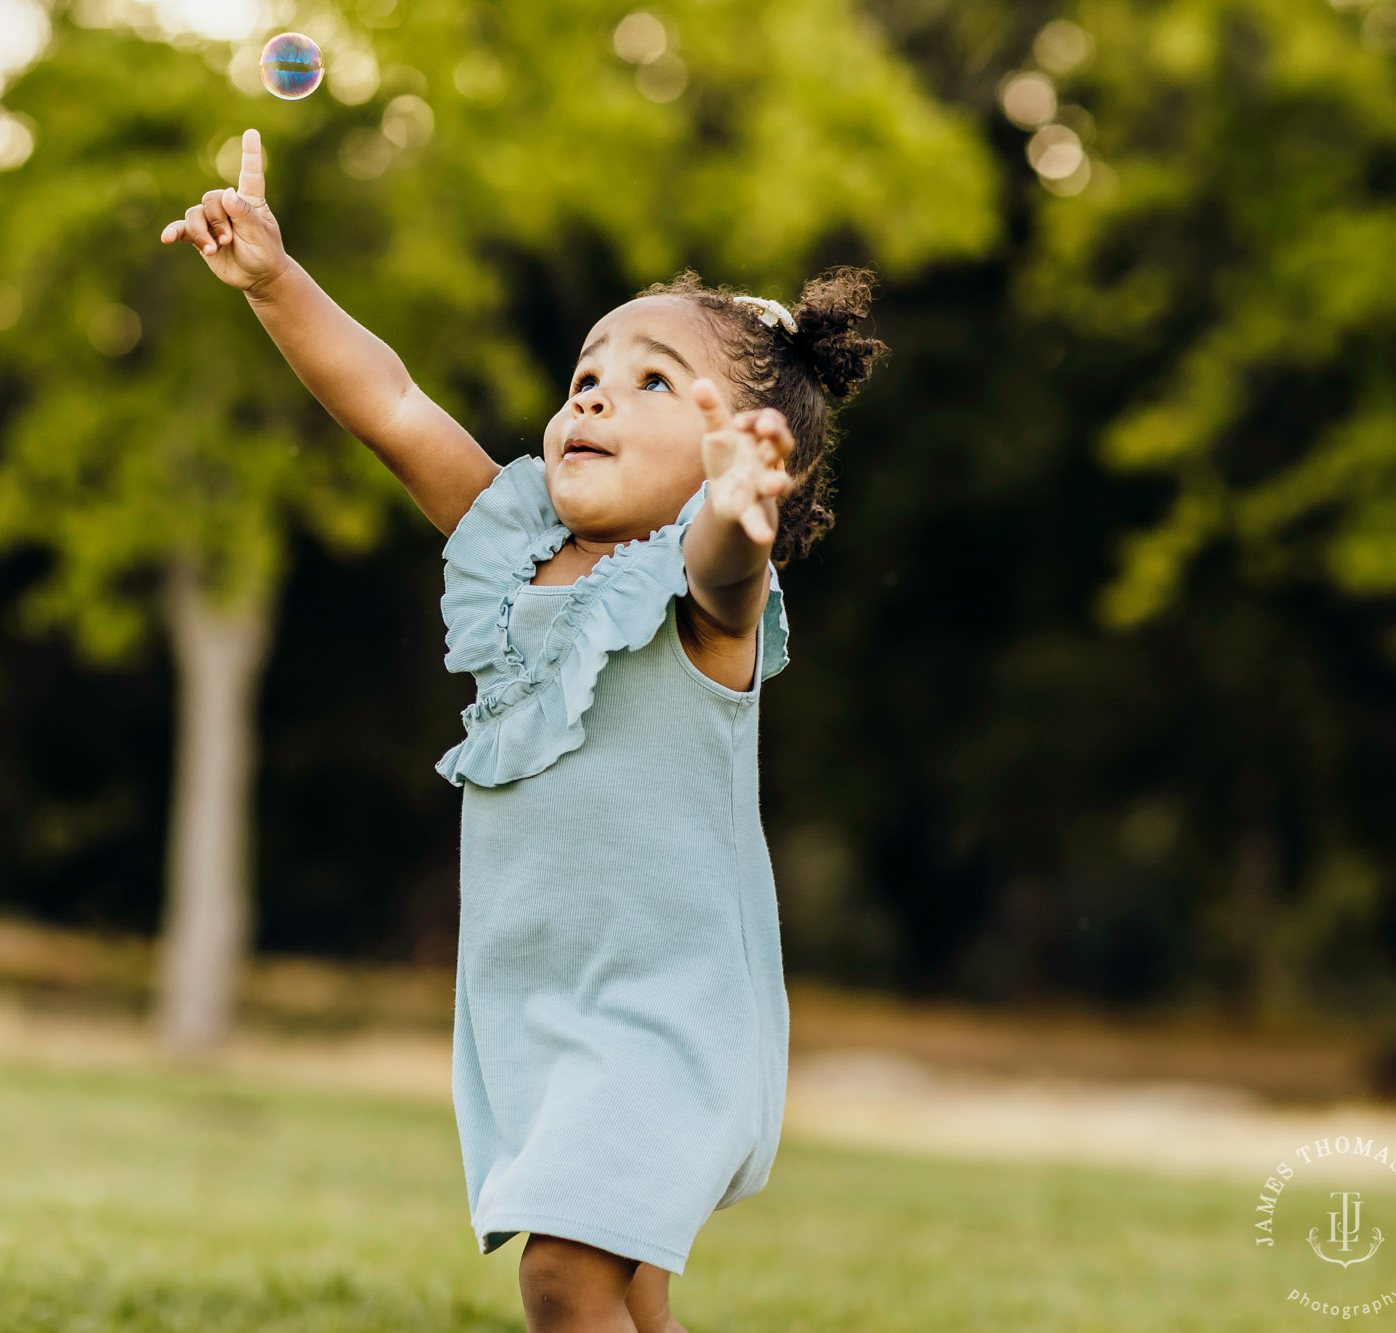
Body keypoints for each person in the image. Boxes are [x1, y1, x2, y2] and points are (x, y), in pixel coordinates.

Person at [161, 128, 885, 1333]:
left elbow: (719, 569)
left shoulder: (707, 605)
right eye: (586, 373)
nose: (592, 393)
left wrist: (735, 506)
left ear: (758, 463)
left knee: (562, 1280)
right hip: (540, 1005)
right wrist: (277, 284)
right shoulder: (515, 550)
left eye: (654, 381)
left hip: (668, 1011)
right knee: (627, 1291)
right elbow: (390, 405)